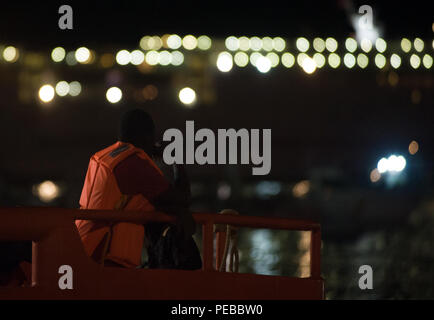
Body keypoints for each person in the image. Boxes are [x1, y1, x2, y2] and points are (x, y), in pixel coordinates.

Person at [76, 109, 198, 268]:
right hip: (102, 258)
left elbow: (157, 203)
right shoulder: (135, 164)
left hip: (83, 247)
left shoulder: (106, 157)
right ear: (146, 136)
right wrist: (175, 159)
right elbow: (182, 198)